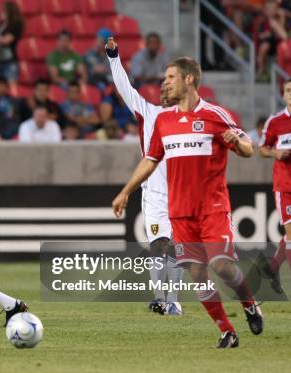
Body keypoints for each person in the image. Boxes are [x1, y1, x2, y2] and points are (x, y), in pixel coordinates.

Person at [112, 57, 262, 348]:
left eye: (170, 77)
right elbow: (150, 159)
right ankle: (227, 331)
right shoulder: (163, 121)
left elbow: (247, 147)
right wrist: (125, 190)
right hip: (179, 212)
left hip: (212, 208)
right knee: (197, 273)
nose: (164, 82)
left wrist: (238, 142)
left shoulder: (215, 114)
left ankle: (249, 304)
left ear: (189, 79)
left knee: (221, 266)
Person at [106, 37, 183, 315]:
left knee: (175, 249)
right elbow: (125, 88)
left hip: (182, 192)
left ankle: (173, 301)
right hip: (154, 194)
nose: (164, 90)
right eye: (162, 87)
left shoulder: (187, 118)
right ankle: (160, 299)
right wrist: (114, 58)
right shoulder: (147, 112)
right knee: (158, 245)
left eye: (169, 86)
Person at [258, 78, 291, 294]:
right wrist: (275, 152)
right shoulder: (275, 121)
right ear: (283, 94)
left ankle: (271, 268)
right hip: (285, 186)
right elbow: (262, 149)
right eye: (288, 90)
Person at [0, 1, 24, 85]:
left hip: (9, 62)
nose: (0, 13)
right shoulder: (1, 24)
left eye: (3, 11)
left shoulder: (16, 25)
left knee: (11, 88)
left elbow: (6, 40)